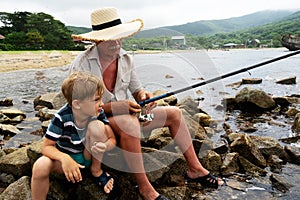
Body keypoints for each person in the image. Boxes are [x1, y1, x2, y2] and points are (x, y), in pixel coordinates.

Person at [70, 7, 224, 200]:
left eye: (119, 37)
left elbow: (137, 90)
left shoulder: (126, 59)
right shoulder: (82, 63)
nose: (116, 43)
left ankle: (195, 169)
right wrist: (115, 108)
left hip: (126, 116)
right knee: (129, 122)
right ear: (97, 40)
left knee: (174, 113)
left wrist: (143, 96)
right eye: (110, 38)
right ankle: (145, 188)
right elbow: (78, 111)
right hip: (97, 125)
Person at [31, 71, 117, 200]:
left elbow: (112, 139)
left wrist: (104, 146)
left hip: (88, 154)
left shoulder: (98, 112)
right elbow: (46, 147)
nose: (102, 103)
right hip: (68, 161)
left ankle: (96, 170)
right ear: (77, 104)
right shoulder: (61, 117)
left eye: (101, 98)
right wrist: (65, 158)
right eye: (96, 99)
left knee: (97, 126)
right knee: (40, 166)